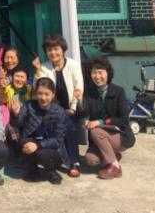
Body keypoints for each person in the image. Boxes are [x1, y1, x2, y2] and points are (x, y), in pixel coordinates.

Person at [33, 34, 84, 177]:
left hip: (72, 108)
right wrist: (37, 70)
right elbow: (39, 88)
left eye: (56, 49)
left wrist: (73, 108)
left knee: (67, 123)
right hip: (51, 110)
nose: (53, 52)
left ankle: (73, 161)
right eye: (49, 50)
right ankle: (70, 161)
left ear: (63, 49)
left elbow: (79, 88)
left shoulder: (73, 65)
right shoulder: (44, 67)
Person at [77, 57, 135, 179]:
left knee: (96, 131)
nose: (97, 76)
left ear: (108, 73)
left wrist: (100, 122)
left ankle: (115, 167)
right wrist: (79, 101)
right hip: (100, 138)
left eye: (100, 72)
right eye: (94, 73)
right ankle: (113, 156)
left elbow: (124, 120)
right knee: (91, 160)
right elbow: (83, 113)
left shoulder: (119, 91)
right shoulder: (88, 92)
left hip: (120, 136)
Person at [13, 77, 68, 185]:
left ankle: (51, 171)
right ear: (35, 93)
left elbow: (57, 140)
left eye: (47, 94)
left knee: (41, 153)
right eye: (40, 93)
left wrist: (37, 145)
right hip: (32, 141)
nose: (43, 97)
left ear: (53, 94)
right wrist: (16, 114)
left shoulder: (60, 112)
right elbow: (19, 125)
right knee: (24, 142)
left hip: (53, 150)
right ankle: (33, 170)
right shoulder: (29, 105)